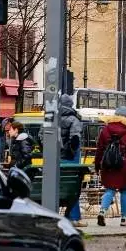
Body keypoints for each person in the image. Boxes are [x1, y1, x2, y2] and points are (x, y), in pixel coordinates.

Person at [94, 106, 126, 227]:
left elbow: (99, 149)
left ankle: (102, 211)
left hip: (108, 163)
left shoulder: (106, 129)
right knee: (125, 191)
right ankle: (124, 218)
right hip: (125, 164)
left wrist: (97, 164)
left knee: (110, 189)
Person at [57, 95, 85, 227]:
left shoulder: (51, 118)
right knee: (73, 187)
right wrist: (71, 152)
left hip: (55, 158)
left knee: (60, 186)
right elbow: (75, 139)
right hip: (70, 158)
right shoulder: (74, 119)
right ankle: (74, 217)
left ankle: (61, 216)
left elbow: (41, 136)